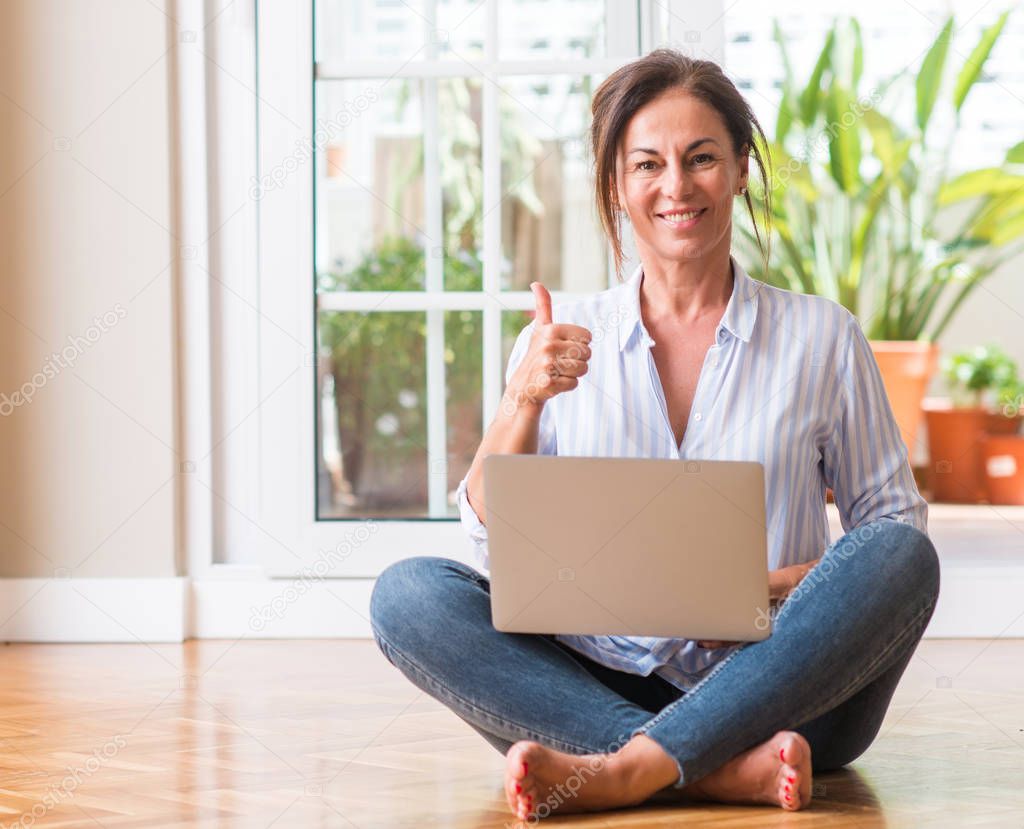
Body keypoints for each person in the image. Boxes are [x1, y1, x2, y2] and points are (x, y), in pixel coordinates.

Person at [369, 49, 939, 821]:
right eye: (648, 163)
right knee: (408, 595)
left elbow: (891, 529)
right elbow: (485, 546)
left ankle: (622, 766)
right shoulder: (558, 338)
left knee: (903, 558)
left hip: (784, 683)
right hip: (596, 676)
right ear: (615, 184)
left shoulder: (822, 337)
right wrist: (521, 398)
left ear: (739, 169)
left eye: (701, 158)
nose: (676, 185)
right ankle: (706, 768)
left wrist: (752, 590)